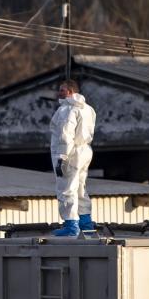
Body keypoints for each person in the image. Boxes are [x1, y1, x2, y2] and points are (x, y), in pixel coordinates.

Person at [49, 78, 97, 237]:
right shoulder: (88, 109)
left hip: (70, 153)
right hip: (85, 151)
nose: (59, 92)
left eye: (62, 90)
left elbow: (65, 134)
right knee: (81, 187)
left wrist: (61, 157)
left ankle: (71, 225)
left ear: (70, 92)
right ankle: (86, 223)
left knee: (66, 188)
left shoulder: (67, 110)